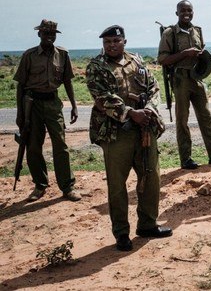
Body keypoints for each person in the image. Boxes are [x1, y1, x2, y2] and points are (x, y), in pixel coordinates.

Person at [87, 25, 172, 252]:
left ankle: (147, 224)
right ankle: (122, 233)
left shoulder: (136, 61)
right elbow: (101, 97)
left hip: (144, 128)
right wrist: (130, 113)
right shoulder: (96, 66)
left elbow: (154, 87)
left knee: (151, 177)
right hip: (117, 132)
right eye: (107, 42)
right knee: (117, 185)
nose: (111, 45)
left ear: (124, 41)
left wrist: (148, 111)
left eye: (115, 41)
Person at [158, 0, 211, 169]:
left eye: (189, 10)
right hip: (180, 79)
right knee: (182, 120)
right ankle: (186, 158)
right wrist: (185, 53)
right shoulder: (170, 33)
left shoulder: (197, 31)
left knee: (206, 117)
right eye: (183, 10)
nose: (186, 13)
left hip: (197, 77)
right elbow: (163, 59)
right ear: (177, 13)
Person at [14, 19, 81, 202]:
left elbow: (67, 81)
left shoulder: (63, 54)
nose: (49, 37)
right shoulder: (29, 56)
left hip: (53, 103)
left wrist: (74, 105)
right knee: (34, 146)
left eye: (52, 34)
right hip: (32, 104)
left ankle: (67, 187)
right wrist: (20, 113)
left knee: (61, 145)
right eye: (46, 33)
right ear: (39, 34)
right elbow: (20, 86)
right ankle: (40, 185)